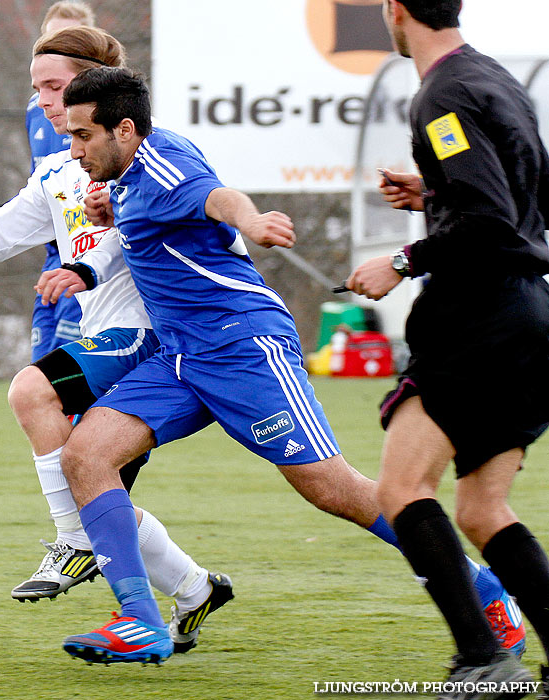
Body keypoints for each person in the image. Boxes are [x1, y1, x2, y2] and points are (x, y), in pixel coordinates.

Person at [36, 64, 527, 667]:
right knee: (85, 456)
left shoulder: (166, 167)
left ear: (125, 129)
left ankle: (485, 591)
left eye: (83, 135)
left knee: (334, 490)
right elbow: (163, 224)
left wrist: (253, 221)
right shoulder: (131, 175)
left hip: (244, 348)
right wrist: (119, 218)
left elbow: (218, 199)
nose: (73, 145)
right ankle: (140, 621)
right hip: (182, 358)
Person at [0, 26, 233, 654]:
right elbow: (1, 231)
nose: (43, 100)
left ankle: (75, 541)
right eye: (35, 87)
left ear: (91, 88)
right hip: (106, 331)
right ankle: (195, 587)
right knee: (100, 491)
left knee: (31, 393)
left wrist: (88, 264)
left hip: (148, 336)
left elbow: (146, 233)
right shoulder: (57, 171)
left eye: (54, 86)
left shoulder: (137, 158)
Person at [344, 0, 549, 695]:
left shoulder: (442, 95)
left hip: (479, 314)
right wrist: (435, 195)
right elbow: (524, 203)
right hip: (531, 313)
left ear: (395, 9)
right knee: (482, 509)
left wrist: (403, 260)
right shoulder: (497, 79)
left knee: (402, 490)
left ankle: (484, 659)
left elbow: (492, 220)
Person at [25, 2, 96, 362]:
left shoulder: (106, 113)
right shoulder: (36, 109)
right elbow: (44, 179)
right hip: (54, 252)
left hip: (88, 251)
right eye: (49, 38)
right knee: (41, 362)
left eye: (66, 41)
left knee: (67, 367)